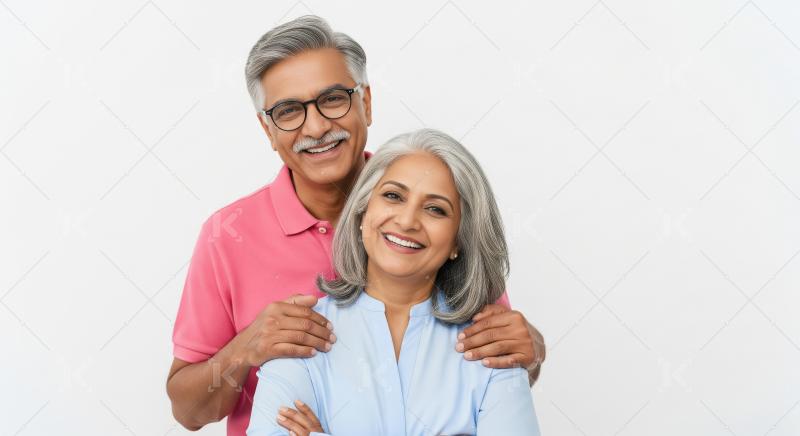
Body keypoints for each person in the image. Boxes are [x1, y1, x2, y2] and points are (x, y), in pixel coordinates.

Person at [167, 16, 545, 435]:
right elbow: (188, 411)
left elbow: (490, 367)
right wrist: (247, 348)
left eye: (332, 99)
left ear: (365, 102)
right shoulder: (227, 235)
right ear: (268, 129)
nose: (316, 127)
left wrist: (533, 349)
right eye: (288, 111)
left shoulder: (433, 207)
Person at [247, 129, 540, 435]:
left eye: (435, 209)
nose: (407, 221)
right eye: (393, 196)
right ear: (363, 211)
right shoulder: (301, 335)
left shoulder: (491, 348)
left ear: (458, 241)